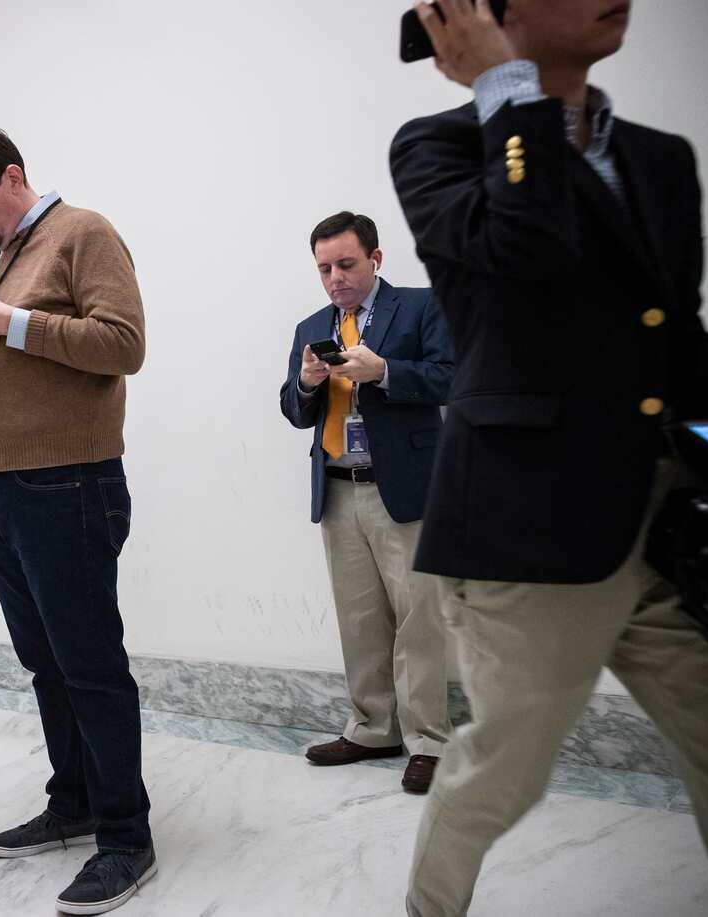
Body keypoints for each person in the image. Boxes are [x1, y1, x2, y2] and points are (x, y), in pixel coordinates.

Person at [389, 1, 708, 913]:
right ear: (488, 15)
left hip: (669, 519)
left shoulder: (660, 158)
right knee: (503, 772)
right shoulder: (435, 147)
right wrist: (505, 88)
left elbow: (675, 332)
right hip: (530, 528)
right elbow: (527, 248)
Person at [0, 127, 154, 915]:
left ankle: (126, 835)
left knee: (89, 663)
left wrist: (10, 324)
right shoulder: (11, 252)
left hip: (68, 481)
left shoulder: (81, 232)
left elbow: (123, 345)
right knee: (45, 660)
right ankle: (76, 802)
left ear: (13, 176)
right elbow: (32, 359)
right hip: (3, 484)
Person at [279, 211, 454, 793]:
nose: (335, 278)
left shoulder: (422, 307)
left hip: (403, 488)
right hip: (337, 490)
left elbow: (453, 378)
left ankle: (429, 740)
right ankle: (375, 727)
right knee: (359, 620)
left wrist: (385, 372)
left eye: (346, 264)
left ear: (375, 259)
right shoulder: (312, 326)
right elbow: (293, 408)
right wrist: (307, 383)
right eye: (324, 268)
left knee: (420, 620)